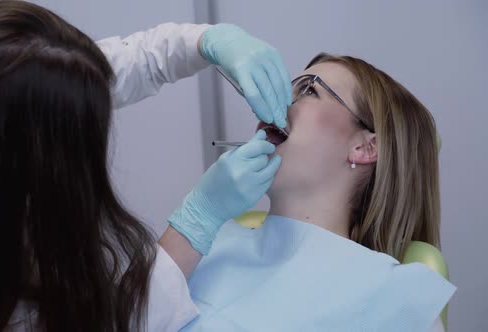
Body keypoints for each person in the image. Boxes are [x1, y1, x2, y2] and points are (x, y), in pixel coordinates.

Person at [0, 1, 287, 331]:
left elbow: (131, 63)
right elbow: (112, 320)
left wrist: (208, 41)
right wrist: (200, 217)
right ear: (38, 163)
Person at [180, 53, 456, 332]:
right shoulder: (204, 244)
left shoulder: (396, 301)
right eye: (287, 88)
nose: (275, 102)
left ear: (365, 148)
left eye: (310, 89)